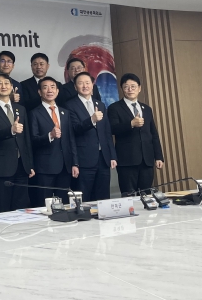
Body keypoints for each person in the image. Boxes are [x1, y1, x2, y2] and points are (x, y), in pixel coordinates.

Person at [0, 73, 35, 213]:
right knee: (3, 208)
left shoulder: (20, 109)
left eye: (7, 83)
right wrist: (11, 130)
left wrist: (29, 164)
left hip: (22, 166)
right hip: (2, 166)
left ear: (12, 87)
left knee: (21, 207)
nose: (3, 86)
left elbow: (26, 139)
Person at [108, 73, 164, 195]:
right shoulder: (114, 108)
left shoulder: (146, 109)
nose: (130, 89)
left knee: (146, 194)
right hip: (127, 160)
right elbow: (112, 129)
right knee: (129, 196)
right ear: (122, 89)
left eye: (133, 86)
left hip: (147, 159)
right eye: (126, 87)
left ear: (139, 88)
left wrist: (159, 156)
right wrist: (131, 124)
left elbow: (153, 133)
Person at [65, 72, 116, 202]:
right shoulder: (69, 105)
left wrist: (112, 155)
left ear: (92, 85)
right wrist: (91, 120)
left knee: (103, 196)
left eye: (87, 83)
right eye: (81, 83)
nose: (85, 86)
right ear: (75, 87)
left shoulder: (100, 104)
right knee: (84, 197)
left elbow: (107, 132)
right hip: (84, 159)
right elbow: (74, 129)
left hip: (103, 158)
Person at [29, 77, 78, 206]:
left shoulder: (65, 112)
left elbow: (71, 139)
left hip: (65, 166)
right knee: (44, 204)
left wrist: (75, 163)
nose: (49, 90)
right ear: (39, 92)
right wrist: (49, 135)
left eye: (52, 87)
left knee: (64, 204)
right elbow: (33, 140)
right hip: (45, 167)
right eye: (45, 87)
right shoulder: (34, 113)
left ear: (57, 91)